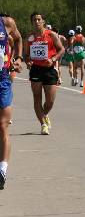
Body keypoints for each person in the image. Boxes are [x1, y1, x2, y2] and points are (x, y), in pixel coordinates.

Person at [24, 12, 64, 135]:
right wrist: (28, 61)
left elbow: (62, 49)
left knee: (50, 101)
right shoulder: (29, 37)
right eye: (34, 20)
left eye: (38, 19)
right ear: (31, 22)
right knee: (37, 98)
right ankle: (43, 124)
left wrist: (52, 59)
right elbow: (26, 54)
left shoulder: (51, 34)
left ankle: (44, 115)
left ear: (43, 21)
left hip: (49, 69)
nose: (36, 22)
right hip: (36, 69)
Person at [0, 13, 23, 189]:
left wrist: (18, 59)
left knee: (3, 126)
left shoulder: (6, 22)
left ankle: (2, 169)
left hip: (3, 81)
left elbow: (19, 39)